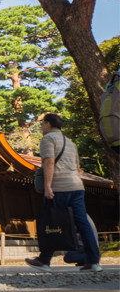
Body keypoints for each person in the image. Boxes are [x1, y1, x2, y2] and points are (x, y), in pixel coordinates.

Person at [26, 113, 102, 272]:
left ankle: (44, 260)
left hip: (59, 188)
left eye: (42, 124)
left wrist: (47, 186)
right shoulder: (71, 143)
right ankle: (94, 261)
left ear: (47, 124)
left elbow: (49, 162)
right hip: (76, 187)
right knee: (82, 224)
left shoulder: (48, 139)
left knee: (51, 221)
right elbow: (77, 166)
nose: (41, 128)